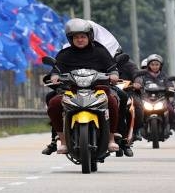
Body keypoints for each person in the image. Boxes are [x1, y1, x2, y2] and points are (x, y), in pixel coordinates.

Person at [45, 18, 120, 154]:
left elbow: (112, 68)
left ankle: (111, 139)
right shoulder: (64, 54)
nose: (80, 39)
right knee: (53, 103)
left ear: (89, 37)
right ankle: (62, 140)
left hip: (98, 89)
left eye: (83, 36)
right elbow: (56, 70)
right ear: (70, 39)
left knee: (113, 102)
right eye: (76, 37)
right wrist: (55, 76)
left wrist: (113, 75)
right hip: (71, 90)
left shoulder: (100, 51)